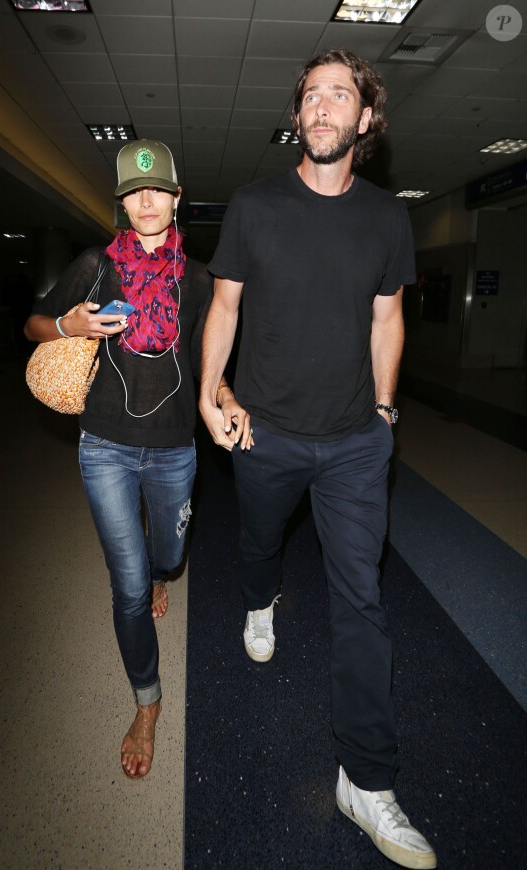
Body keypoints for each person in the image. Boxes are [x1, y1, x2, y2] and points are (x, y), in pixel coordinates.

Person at [199, 50, 436, 869]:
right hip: (264, 432)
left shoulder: (386, 218)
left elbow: (387, 319)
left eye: (342, 95)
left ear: (365, 121)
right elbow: (224, 306)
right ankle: (259, 597)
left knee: (362, 601)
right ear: (298, 116)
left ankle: (365, 782)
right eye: (312, 95)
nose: (325, 105)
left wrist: (382, 411)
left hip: (353, 445)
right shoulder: (256, 206)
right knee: (260, 546)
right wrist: (210, 392)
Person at [25, 140, 246, 779]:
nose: (145, 200)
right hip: (105, 446)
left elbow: (212, 362)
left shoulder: (201, 281)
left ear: (177, 199)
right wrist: (69, 327)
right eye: (132, 191)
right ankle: (146, 703)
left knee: (168, 561)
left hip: (176, 448)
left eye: (158, 190)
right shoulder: (96, 267)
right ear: (121, 202)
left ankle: (157, 572)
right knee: (126, 587)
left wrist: (226, 399)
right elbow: (34, 324)